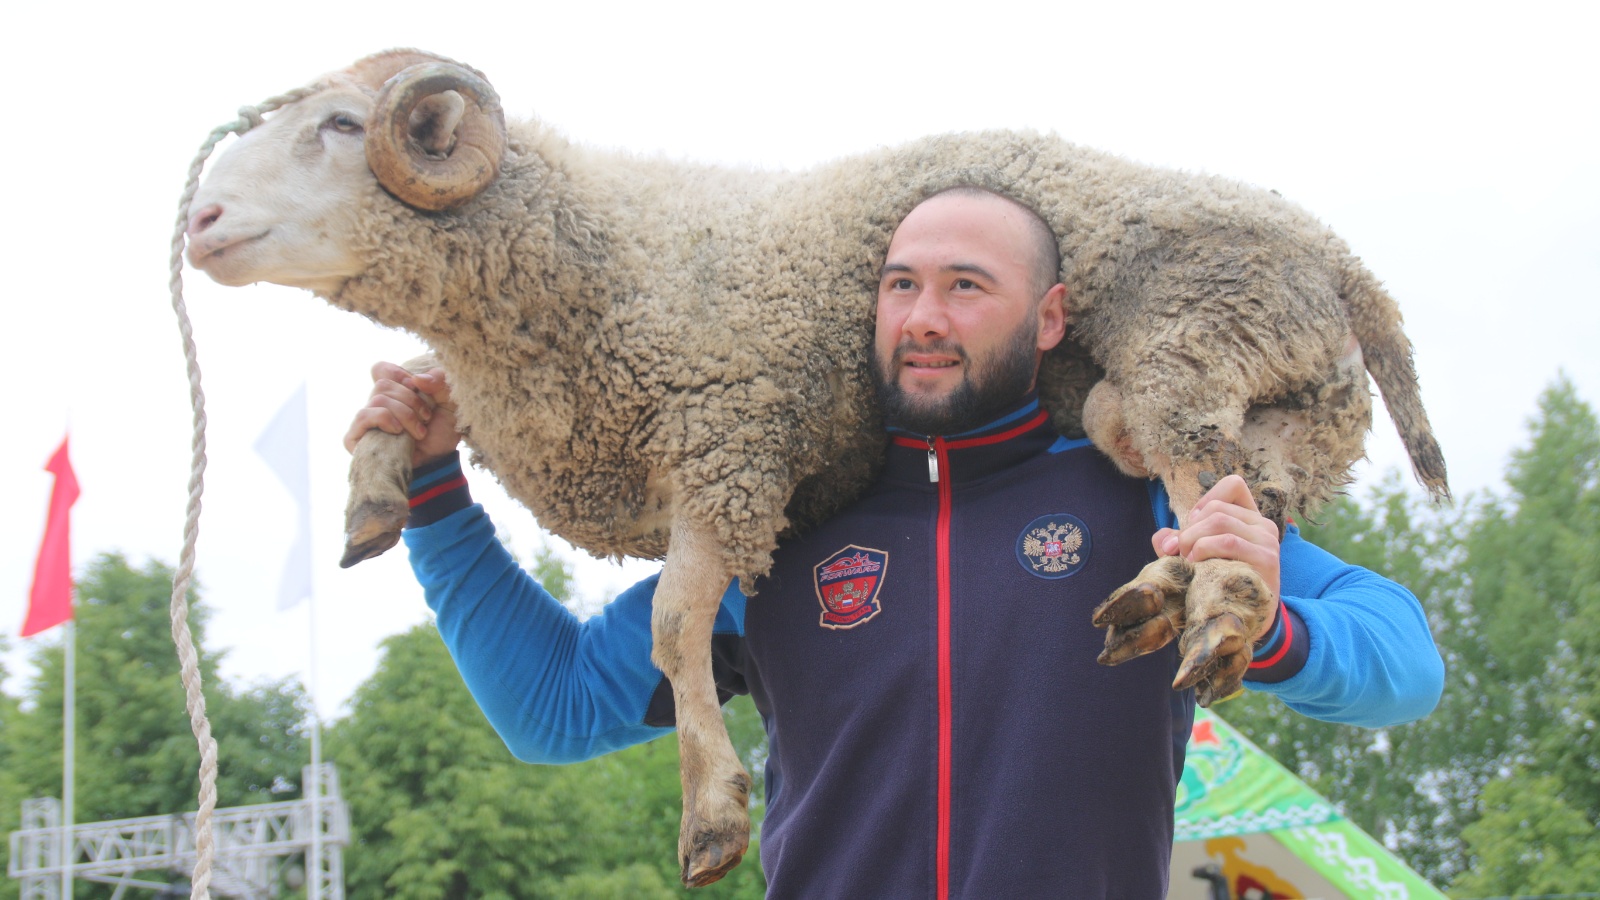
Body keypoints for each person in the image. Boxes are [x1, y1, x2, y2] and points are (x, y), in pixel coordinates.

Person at [347, 188, 1444, 898]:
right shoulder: (778, 533)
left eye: (967, 287)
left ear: (1050, 318)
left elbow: (1403, 661)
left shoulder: (1138, 501)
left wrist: (1268, 624)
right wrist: (437, 493)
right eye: (900, 285)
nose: (923, 315)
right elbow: (549, 709)